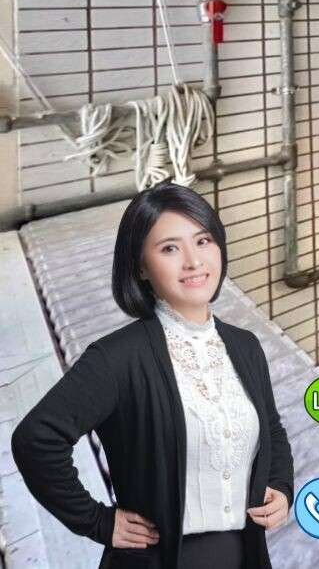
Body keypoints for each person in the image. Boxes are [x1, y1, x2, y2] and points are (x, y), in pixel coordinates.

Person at [11, 182, 294, 568]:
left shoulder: (245, 346)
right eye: (169, 249)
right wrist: (98, 521)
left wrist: (280, 486)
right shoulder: (117, 358)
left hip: (243, 555)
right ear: (141, 267)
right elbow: (36, 439)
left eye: (203, 241)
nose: (193, 262)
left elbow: (271, 429)